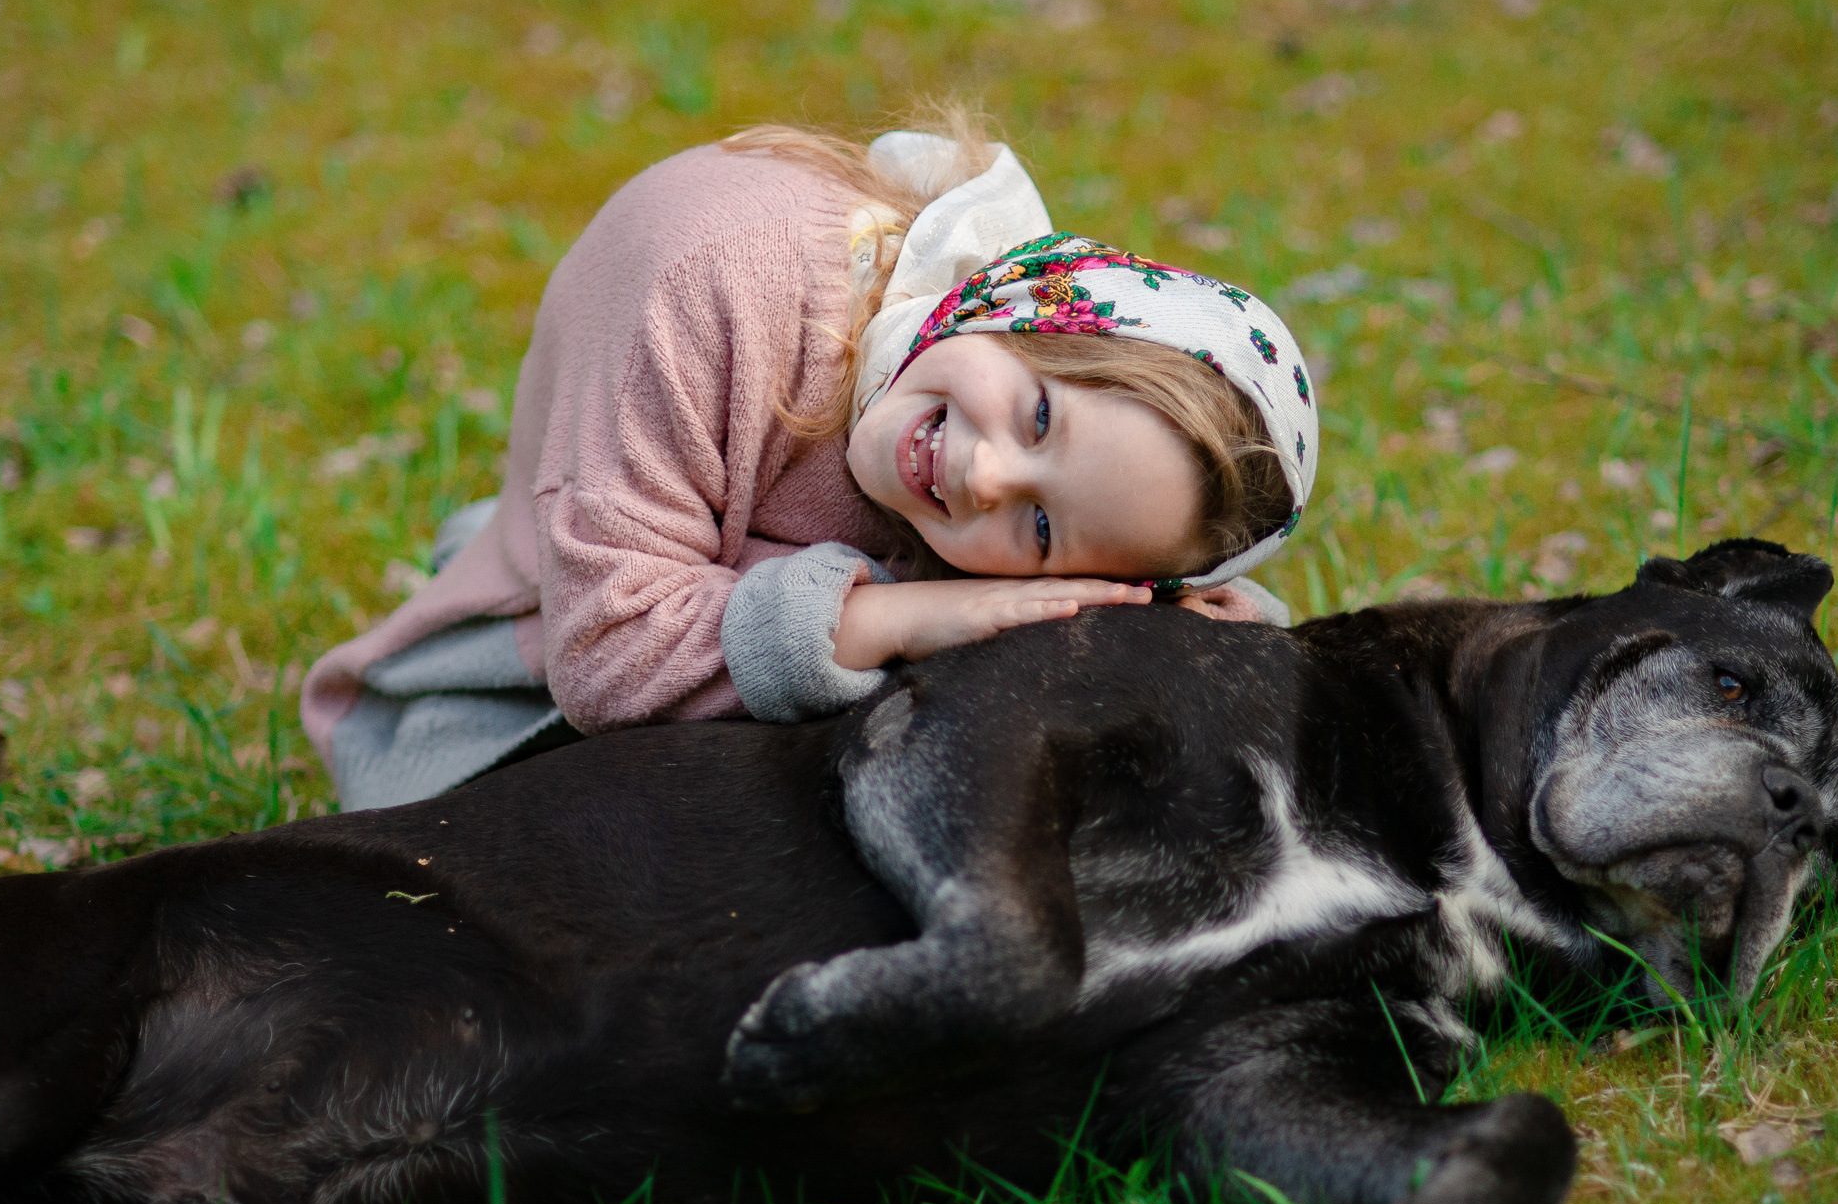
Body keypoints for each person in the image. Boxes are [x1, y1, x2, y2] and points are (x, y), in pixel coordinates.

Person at [300, 112, 1320, 811]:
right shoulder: (712, 281)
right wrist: (911, 616)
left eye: (1043, 528)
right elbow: (609, 659)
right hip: (526, 681)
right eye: (1039, 413)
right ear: (1022, 308)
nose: (985, 478)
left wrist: (1163, 626)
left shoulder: (962, 405)